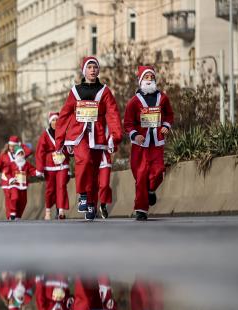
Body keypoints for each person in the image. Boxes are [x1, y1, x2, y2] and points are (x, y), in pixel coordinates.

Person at [55, 56, 122, 221]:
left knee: (93, 172)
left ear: (98, 70)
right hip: (80, 135)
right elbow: (64, 115)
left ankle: (92, 203)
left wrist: (115, 135)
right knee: (83, 161)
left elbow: (112, 113)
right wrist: (60, 140)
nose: (93, 70)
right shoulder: (75, 91)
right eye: (89, 67)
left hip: (98, 136)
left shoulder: (104, 91)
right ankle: (83, 195)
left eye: (95, 67)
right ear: (84, 70)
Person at [124, 66, 175, 221]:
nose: (149, 80)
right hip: (140, 145)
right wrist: (135, 134)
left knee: (159, 171)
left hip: (157, 143)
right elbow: (128, 122)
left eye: (151, 77)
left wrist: (166, 126)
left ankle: (151, 190)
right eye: (146, 77)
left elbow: (169, 114)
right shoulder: (134, 102)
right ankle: (141, 210)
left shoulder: (163, 98)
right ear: (140, 80)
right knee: (140, 175)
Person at [35, 112, 69, 220]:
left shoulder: (64, 132)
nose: (55, 122)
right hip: (49, 165)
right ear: (50, 122)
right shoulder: (45, 135)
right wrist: (40, 168)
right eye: (53, 120)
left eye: (57, 120)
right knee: (50, 189)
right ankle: (48, 210)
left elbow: (69, 147)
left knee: (61, 186)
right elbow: (40, 152)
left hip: (62, 164)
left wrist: (69, 152)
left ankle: (61, 210)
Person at [0, 136, 31, 220]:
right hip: (6, 180)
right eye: (10, 146)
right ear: (8, 145)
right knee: (10, 198)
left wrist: (20, 145)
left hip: (18, 181)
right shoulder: (3, 155)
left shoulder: (20, 154)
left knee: (22, 200)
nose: (12, 148)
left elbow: (29, 151)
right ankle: (10, 216)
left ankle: (17, 216)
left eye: (14, 146)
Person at [3, 146, 36, 220]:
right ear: (15, 155)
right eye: (19, 153)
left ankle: (18, 216)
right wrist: (10, 179)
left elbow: (32, 170)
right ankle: (12, 213)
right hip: (14, 184)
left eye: (22, 153)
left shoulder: (26, 164)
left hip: (23, 185)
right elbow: (7, 172)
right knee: (15, 197)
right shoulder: (11, 164)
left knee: (23, 201)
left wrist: (38, 172)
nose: (20, 155)